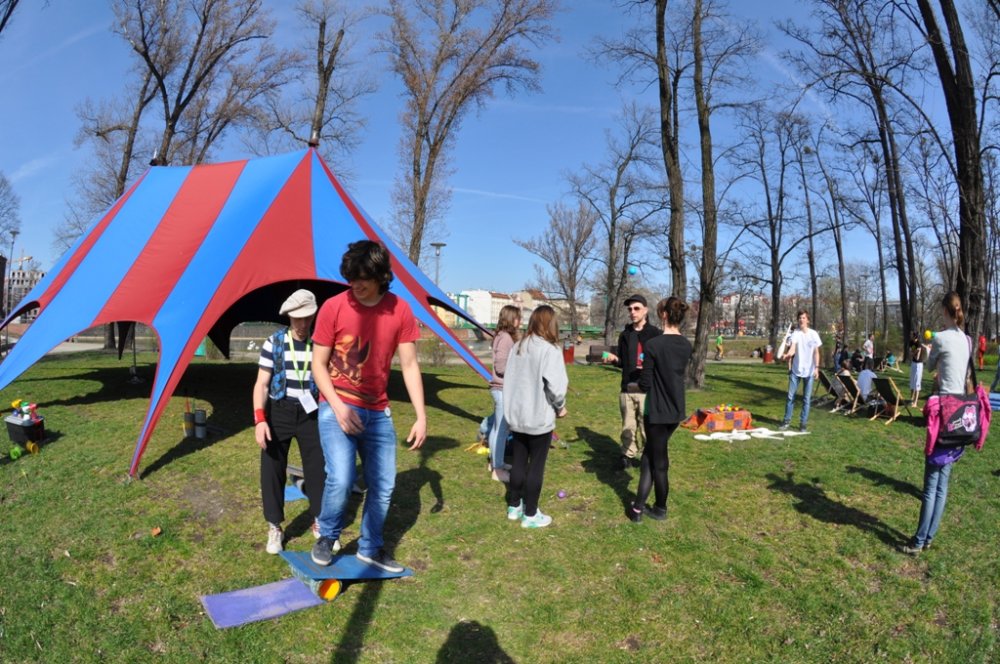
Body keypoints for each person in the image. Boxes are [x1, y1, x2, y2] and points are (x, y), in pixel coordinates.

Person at [310, 240, 427, 573]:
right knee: (342, 477)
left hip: (377, 411)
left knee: (384, 484)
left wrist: (421, 415)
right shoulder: (333, 307)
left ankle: (370, 548)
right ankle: (327, 534)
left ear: (381, 275)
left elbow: (409, 366)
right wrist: (337, 406)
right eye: (351, 277)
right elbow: (318, 365)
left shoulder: (400, 310)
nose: (356, 285)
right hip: (337, 405)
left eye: (363, 278)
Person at [252, 289, 325, 554]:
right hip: (279, 412)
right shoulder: (274, 343)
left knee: (318, 469)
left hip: (311, 414)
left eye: (307, 318)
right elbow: (261, 384)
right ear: (289, 317)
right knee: (271, 469)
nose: (303, 325)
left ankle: (320, 521)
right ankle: (275, 526)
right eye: (297, 319)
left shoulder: (320, 343)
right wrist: (260, 419)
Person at [902, 292, 972, 555]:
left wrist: (930, 350)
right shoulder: (967, 339)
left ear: (944, 310)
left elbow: (930, 366)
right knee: (943, 484)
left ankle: (918, 541)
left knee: (931, 484)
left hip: (943, 413)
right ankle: (929, 536)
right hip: (962, 415)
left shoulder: (940, 338)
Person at [502, 305, 568, 528]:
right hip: (537, 418)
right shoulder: (549, 350)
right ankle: (530, 514)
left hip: (517, 415)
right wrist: (560, 407)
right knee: (535, 466)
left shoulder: (518, 346)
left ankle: (514, 505)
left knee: (519, 461)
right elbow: (556, 387)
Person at [627, 297, 692, 523]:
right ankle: (637, 508)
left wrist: (631, 385)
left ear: (664, 315)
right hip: (675, 411)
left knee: (659, 462)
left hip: (656, 411)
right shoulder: (686, 344)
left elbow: (645, 384)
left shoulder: (654, 345)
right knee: (649, 456)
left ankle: (660, 508)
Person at [602, 294, 662, 469]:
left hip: (647, 389)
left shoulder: (655, 334)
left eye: (636, 308)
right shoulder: (625, 334)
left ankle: (647, 456)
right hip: (627, 388)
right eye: (630, 309)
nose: (632, 312)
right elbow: (622, 362)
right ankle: (626, 455)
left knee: (646, 427)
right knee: (628, 426)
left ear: (645, 310)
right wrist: (614, 359)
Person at [487, 305, 521, 483]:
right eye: (517, 318)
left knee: (496, 429)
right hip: (501, 389)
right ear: (510, 319)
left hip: (498, 389)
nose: (520, 321)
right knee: (501, 431)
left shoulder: (500, 336)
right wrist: (517, 373)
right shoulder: (506, 338)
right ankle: (497, 469)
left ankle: (495, 461)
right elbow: (501, 366)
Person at [778, 310, 822, 432]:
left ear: (807, 320)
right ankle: (786, 421)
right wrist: (787, 355)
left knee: (806, 399)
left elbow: (816, 353)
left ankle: (803, 423)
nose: (801, 320)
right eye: (799, 318)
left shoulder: (814, 334)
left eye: (803, 318)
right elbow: (793, 349)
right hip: (796, 370)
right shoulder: (795, 333)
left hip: (809, 372)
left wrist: (817, 368)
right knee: (790, 396)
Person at [909, 331, 928, 407]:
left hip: (919, 365)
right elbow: (911, 352)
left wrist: (913, 354)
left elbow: (917, 356)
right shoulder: (911, 342)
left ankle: (915, 402)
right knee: (912, 381)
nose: (911, 337)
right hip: (913, 363)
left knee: (917, 382)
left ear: (915, 337)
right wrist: (913, 353)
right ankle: (911, 399)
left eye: (913, 336)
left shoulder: (918, 343)